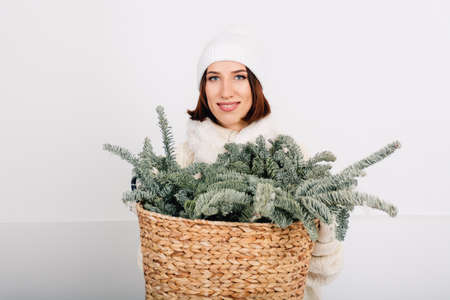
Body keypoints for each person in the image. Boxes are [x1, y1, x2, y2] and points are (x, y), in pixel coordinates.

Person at [135, 28, 344, 300]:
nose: (226, 91)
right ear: (203, 87)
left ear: (255, 85)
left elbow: (323, 273)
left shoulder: (293, 159)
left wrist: (322, 227)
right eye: (213, 78)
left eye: (239, 77)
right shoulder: (178, 162)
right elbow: (155, 268)